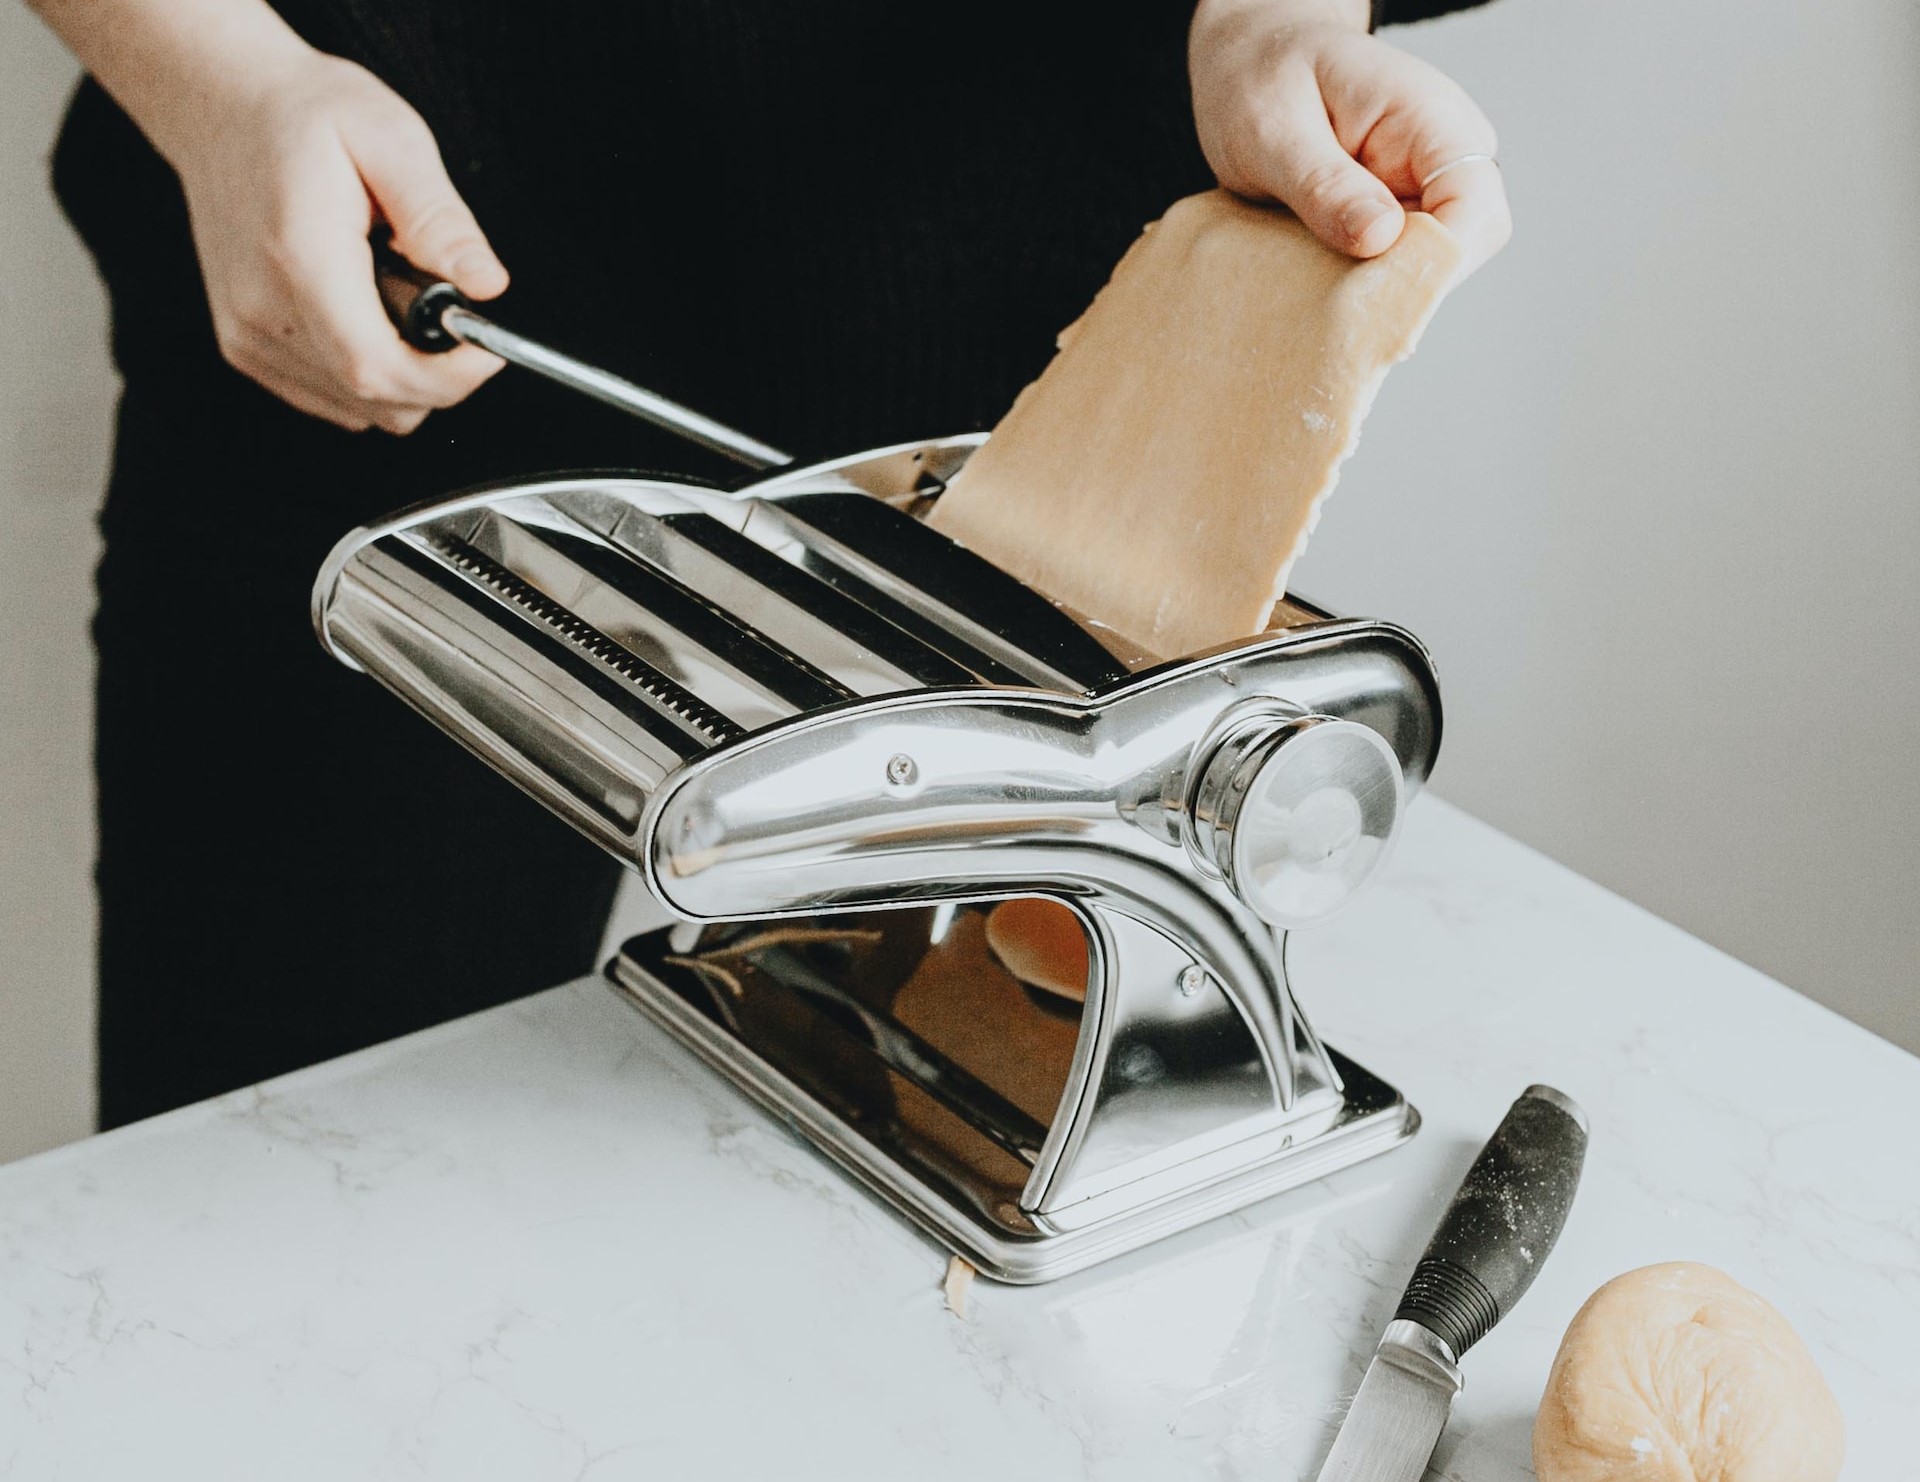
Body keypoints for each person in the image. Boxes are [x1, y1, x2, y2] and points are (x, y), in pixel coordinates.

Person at [23, 0, 1506, 1127]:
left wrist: (1273, 22)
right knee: (280, 1191)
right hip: (366, 298)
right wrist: (210, 71)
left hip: (1023, 453)